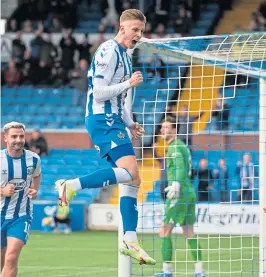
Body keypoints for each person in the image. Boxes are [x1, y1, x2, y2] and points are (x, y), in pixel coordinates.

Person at [55, 9, 156, 265]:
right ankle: (71, 186)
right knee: (131, 173)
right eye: (135, 30)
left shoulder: (126, 55)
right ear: (122, 28)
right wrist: (129, 84)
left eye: (142, 31)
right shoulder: (108, 51)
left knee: (133, 179)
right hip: (102, 119)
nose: (139, 35)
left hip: (113, 120)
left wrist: (130, 122)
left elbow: (118, 99)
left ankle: (129, 239)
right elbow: (99, 93)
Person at [154, 117, 205, 277]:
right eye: (162, 127)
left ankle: (167, 272)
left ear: (175, 130)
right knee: (189, 232)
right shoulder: (181, 145)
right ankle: (199, 271)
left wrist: (176, 183)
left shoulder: (175, 146)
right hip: (189, 192)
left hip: (180, 193)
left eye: (167, 127)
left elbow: (180, 167)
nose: (163, 130)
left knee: (164, 231)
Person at [1, 122, 41, 277]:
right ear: (5, 138)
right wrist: (2, 191)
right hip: (0, 214)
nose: (18, 139)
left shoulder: (34, 159)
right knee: (3, 260)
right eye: (14, 136)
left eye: (21, 136)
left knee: (11, 257)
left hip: (21, 216)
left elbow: (37, 175)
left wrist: (35, 189)